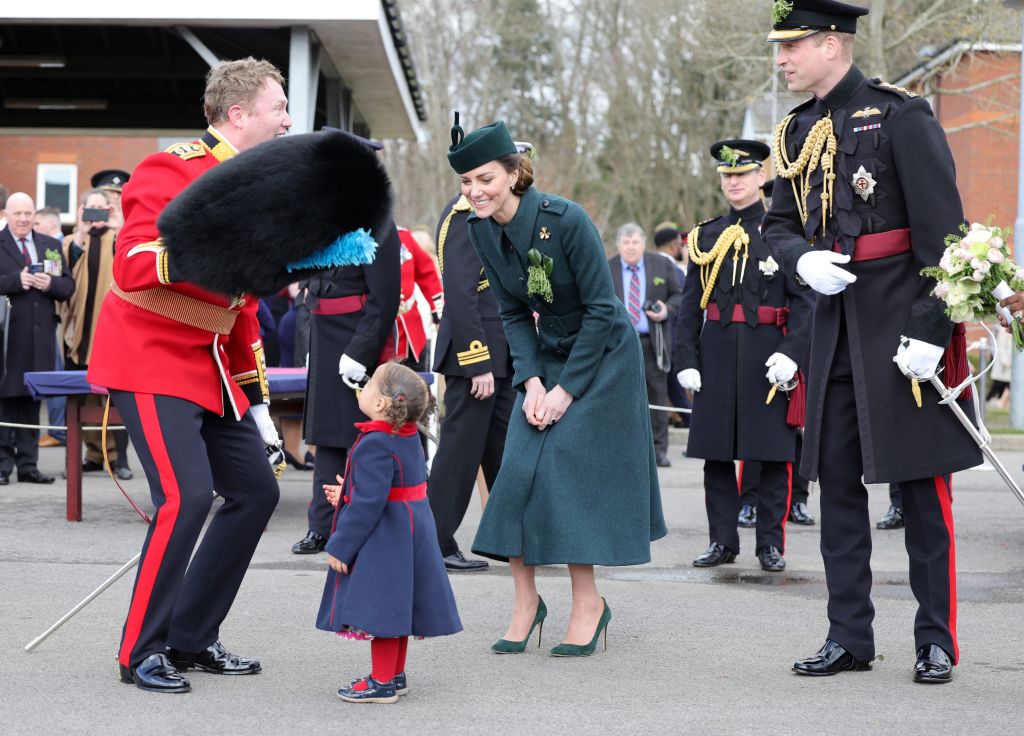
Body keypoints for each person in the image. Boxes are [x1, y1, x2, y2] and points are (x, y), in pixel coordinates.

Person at [762, 0, 981, 683]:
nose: (781, 58)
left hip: (900, 329)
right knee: (839, 499)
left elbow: (947, 237)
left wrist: (929, 330)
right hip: (834, 331)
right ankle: (848, 634)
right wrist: (799, 258)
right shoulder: (796, 131)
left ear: (833, 43)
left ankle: (936, 637)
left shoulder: (900, 115)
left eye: (792, 46)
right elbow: (777, 222)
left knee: (922, 495)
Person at [86, 57, 290, 693]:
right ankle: (139, 651)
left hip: (211, 365)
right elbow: (138, 264)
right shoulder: (170, 167)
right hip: (149, 355)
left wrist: (258, 407)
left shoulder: (262, 180)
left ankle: (192, 638)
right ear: (238, 115)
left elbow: (242, 307)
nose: (288, 119)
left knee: (257, 491)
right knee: (187, 496)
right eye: (278, 107)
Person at [447, 117, 666, 656]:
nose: (475, 192)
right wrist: (535, 380)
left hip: (604, 356)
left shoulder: (565, 220)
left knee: (568, 473)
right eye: (465, 183)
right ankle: (527, 603)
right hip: (548, 356)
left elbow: (599, 312)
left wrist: (564, 390)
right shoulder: (478, 229)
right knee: (517, 468)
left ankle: (588, 604)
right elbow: (514, 315)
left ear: (514, 173)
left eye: (484, 179)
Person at [676, 139, 812, 573]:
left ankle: (770, 544)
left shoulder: (783, 233)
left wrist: (792, 353)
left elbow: (807, 304)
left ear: (759, 177)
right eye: (726, 176)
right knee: (717, 454)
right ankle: (722, 541)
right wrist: (685, 359)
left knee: (773, 455)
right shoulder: (706, 235)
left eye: (741, 175)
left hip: (766, 356)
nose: (733, 182)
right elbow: (688, 306)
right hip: (715, 353)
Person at [315, 361, 461, 703]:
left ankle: (380, 682)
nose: (363, 390)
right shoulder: (408, 434)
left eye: (369, 387)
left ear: (381, 404)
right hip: (410, 529)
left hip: (387, 536)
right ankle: (394, 675)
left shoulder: (373, 443)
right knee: (399, 605)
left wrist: (341, 546)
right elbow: (396, 487)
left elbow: (369, 504)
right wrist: (348, 494)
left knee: (382, 609)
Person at [291, 131, 401, 556]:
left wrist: (361, 352)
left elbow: (384, 298)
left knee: (357, 436)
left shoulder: (380, 224)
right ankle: (322, 524)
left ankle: (357, 522)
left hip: (355, 338)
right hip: (323, 337)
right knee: (326, 437)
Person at [427, 185, 515, 572]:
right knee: (459, 454)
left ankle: (508, 539)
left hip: (504, 351)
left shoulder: (498, 213)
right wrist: (478, 361)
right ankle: (434, 541)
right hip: (475, 354)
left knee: (505, 451)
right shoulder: (465, 216)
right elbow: (461, 294)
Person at [0, 192, 74, 485]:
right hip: (7, 338)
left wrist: (50, 283)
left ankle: (29, 466)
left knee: (32, 399)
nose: (23, 219)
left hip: (40, 337)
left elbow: (68, 286)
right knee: (6, 399)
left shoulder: (51, 245)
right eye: (17, 213)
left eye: (28, 213)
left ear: (35, 216)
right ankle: (3, 466)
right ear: (6, 214)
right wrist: (14, 281)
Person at [62, 188, 133, 479]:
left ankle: (121, 460)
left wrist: (118, 225)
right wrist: (80, 230)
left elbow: (128, 262)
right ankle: (92, 455)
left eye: (100, 208)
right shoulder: (71, 241)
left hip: (111, 331)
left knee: (116, 400)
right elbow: (64, 270)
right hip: (79, 331)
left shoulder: (118, 238)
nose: (95, 214)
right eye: (89, 208)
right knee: (84, 398)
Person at [609, 223, 682, 467]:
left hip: (653, 342)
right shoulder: (607, 267)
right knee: (618, 396)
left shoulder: (661, 265)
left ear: (643, 243)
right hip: (618, 344)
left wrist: (666, 310)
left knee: (657, 394)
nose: (630, 247)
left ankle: (658, 451)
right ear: (619, 245)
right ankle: (620, 450)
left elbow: (679, 295)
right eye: (626, 242)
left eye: (635, 242)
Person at [32, 206, 68, 449]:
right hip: (52, 319)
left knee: (55, 375)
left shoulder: (60, 247)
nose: (32, 228)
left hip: (59, 320)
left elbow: (66, 283)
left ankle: (59, 431)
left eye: (36, 224)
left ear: (50, 225)